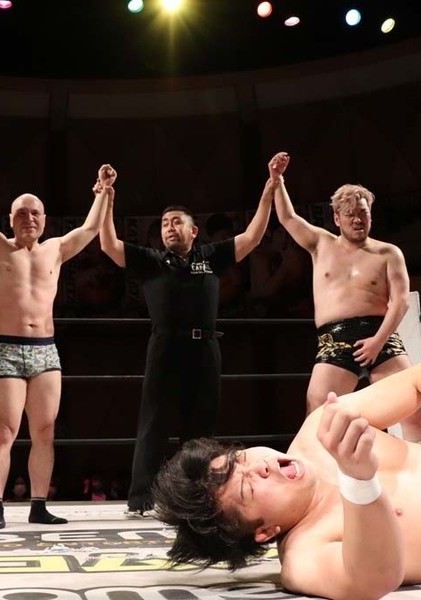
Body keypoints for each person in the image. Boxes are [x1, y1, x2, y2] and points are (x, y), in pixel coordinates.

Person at [153, 358, 421, 599]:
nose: (260, 466)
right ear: (264, 532)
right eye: (248, 487)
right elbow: (373, 579)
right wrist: (359, 481)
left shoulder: (320, 428)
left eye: (241, 459)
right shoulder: (303, 557)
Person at [99, 153, 286, 516]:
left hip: (205, 348)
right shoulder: (152, 261)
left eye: (176, 222)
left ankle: (194, 498)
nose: (169, 228)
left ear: (193, 230)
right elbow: (109, 245)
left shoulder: (210, 257)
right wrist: (108, 196)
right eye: (164, 223)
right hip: (164, 346)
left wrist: (271, 186)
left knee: (200, 428)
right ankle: (141, 500)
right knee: (153, 423)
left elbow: (253, 236)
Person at [0, 142, 116, 529]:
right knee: (4, 429)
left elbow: (90, 229)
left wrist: (104, 191)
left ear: (45, 220)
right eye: (21, 213)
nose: (29, 218)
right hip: (7, 348)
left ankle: (39, 504)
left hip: (45, 349)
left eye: (35, 213)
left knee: (44, 431)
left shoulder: (55, 249)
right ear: (10, 219)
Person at [270, 154, 421, 442]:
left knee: (413, 407)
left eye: (362, 213)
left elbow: (401, 301)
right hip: (335, 338)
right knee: (317, 410)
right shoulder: (321, 244)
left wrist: (378, 341)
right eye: (350, 214)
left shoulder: (388, 253)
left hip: (380, 334)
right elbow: (287, 218)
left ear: (371, 215)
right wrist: (277, 180)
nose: (357, 219)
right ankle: (317, 468)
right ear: (337, 219)